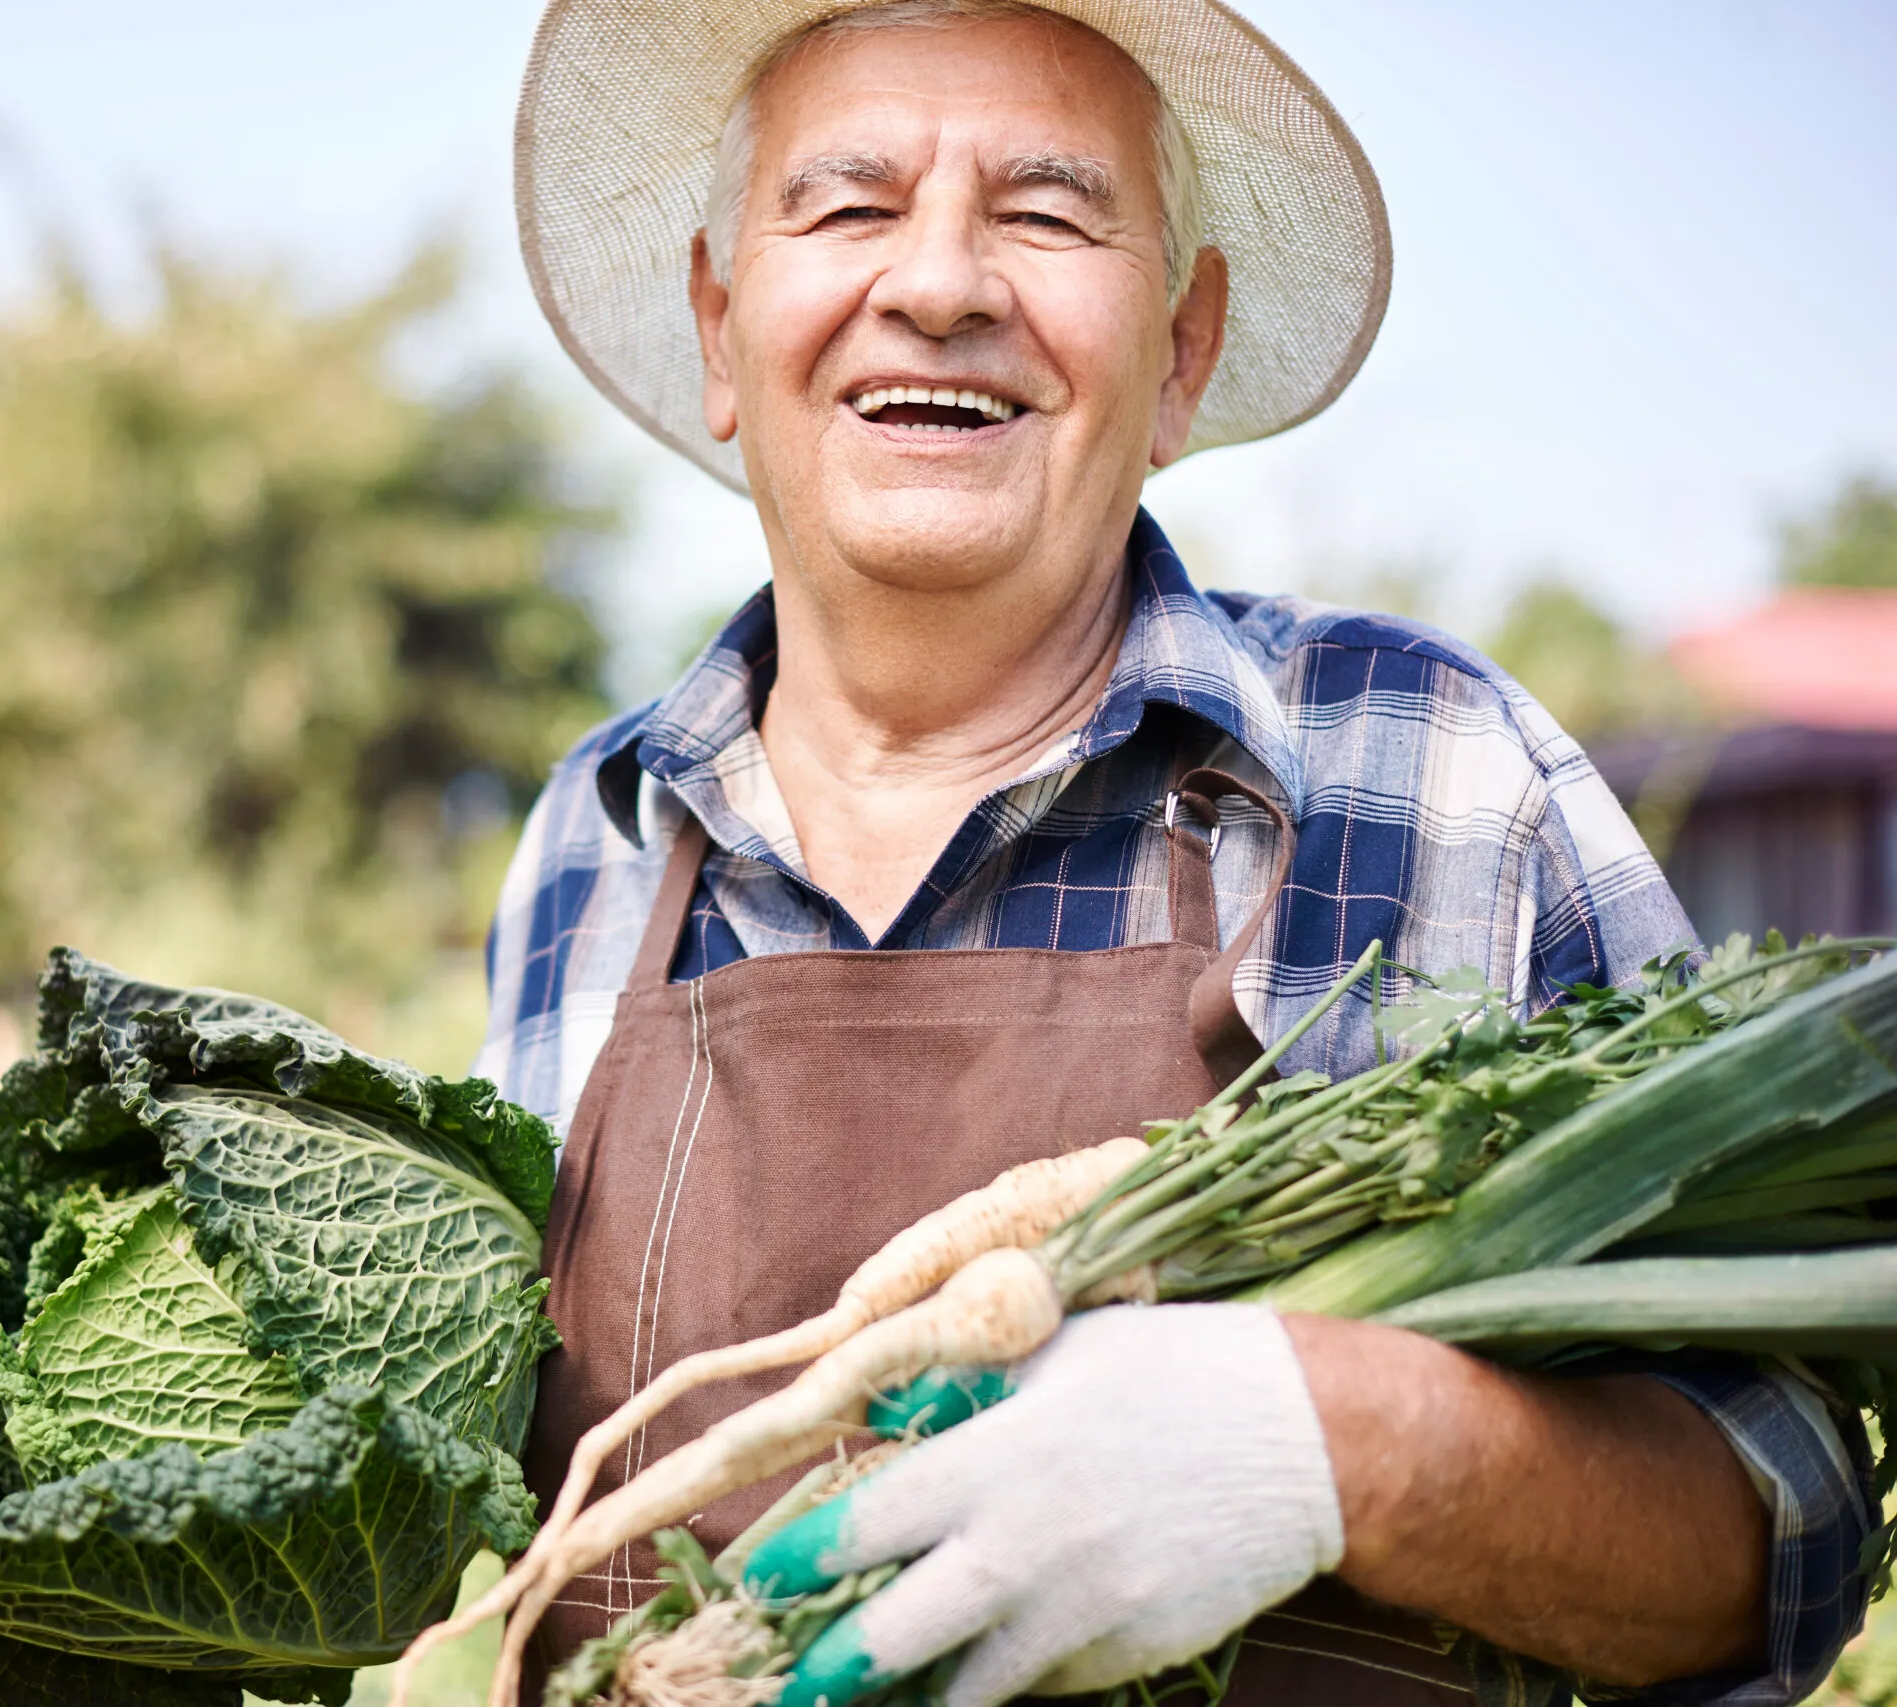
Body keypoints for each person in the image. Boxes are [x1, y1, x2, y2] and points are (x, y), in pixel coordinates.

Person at [478, 2, 1873, 1704]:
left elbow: (1787, 1527)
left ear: (1184, 346)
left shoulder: (1428, 764)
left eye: (1046, 214)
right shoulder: (590, 843)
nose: (941, 282)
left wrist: (1342, 1443)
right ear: (719, 323)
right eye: (848, 206)